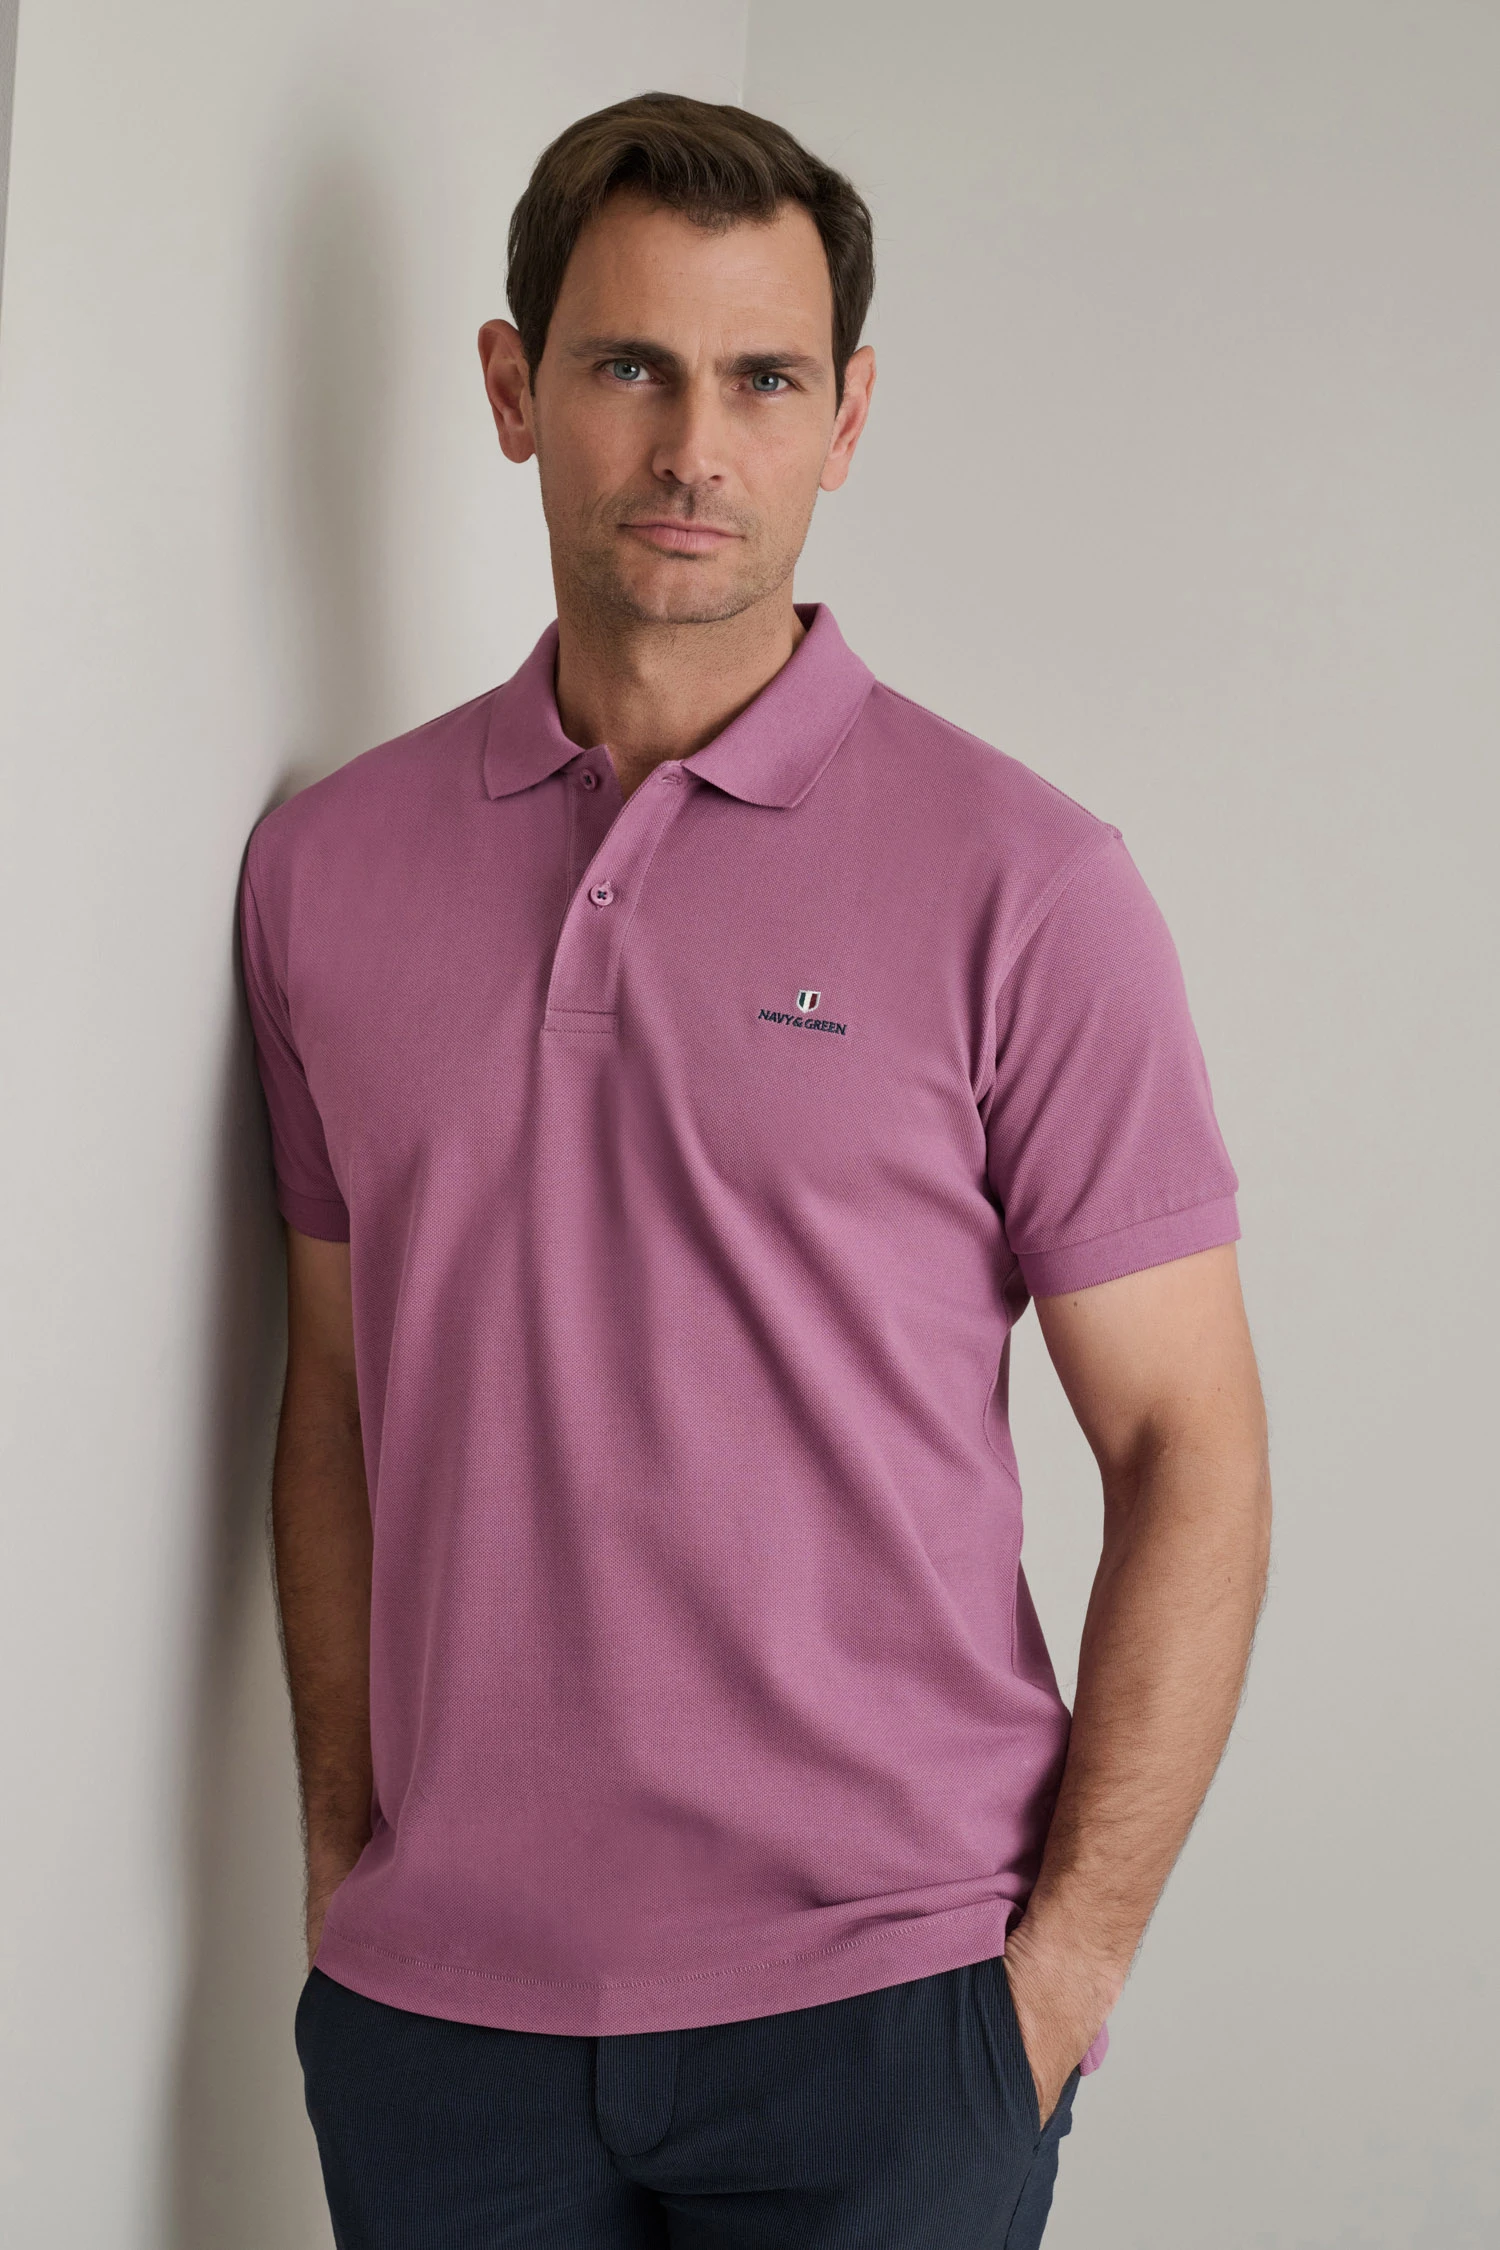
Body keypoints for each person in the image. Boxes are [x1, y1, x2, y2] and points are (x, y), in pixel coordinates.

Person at [238, 88, 1271, 2250]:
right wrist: (341, 1860)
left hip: (888, 2018)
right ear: (513, 388)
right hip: (442, 2028)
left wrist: (1056, 1977)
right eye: (631, 365)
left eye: (764, 379)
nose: (696, 445)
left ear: (846, 416)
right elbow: (333, 1398)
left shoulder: (1027, 885)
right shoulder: (324, 871)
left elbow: (1189, 1444)